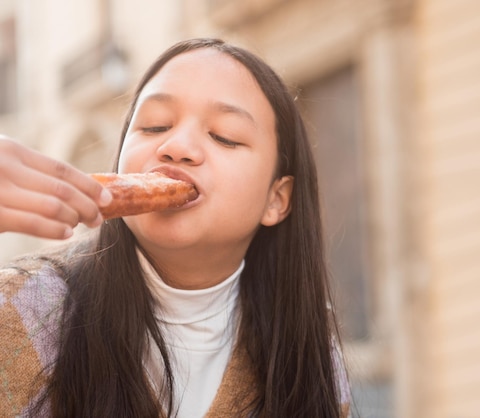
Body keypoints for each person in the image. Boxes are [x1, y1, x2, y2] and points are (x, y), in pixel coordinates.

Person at [0, 38, 351, 417]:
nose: (177, 146)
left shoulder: (309, 350)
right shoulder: (22, 309)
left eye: (224, 136)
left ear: (277, 199)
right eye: (154, 126)